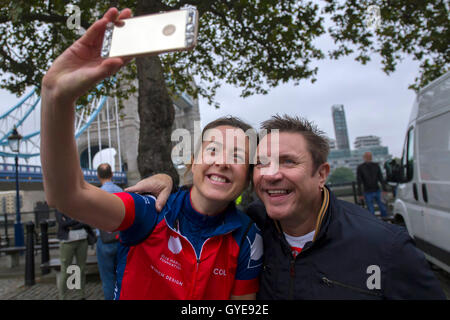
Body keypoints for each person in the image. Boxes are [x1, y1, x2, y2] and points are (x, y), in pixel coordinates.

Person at [40, 8, 262, 299]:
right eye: (213, 149)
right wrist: (57, 96)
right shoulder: (150, 210)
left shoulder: (248, 236)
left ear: (248, 177)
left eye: (236, 156)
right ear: (192, 160)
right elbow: (67, 196)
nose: (221, 161)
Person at [134, 114, 446, 299]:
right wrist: (170, 181)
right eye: (263, 163)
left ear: (321, 174)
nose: (272, 174)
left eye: (288, 162)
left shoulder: (384, 247)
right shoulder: (250, 228)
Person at [95, 163, 123, 300]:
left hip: (104, 240)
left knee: (107, 279)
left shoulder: (97, 194)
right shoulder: (121, 191)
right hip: (121, 239)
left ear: (98, 176)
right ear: (112, 174)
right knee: (122, 276)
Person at [55, 210, 94, 300]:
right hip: (67, 242)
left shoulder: (79, 205)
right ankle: (62, 296)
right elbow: (62, 224)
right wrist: (79, 220)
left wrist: (72, 224)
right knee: (65, 270)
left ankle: (81, 295)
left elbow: (87, 221)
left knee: (81, 269)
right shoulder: (60, 207)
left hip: (82, 240)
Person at [357, 151, 388, 217]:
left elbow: (381, 178)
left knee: (383, 208)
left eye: (369, 156)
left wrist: (384, 189)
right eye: (367, 157)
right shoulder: (360, 168)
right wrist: (360, 194)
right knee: (371, 210)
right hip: (368, 191)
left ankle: (384, 221)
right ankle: (375, 223)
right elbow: (359, 182)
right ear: (364, 158)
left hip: (376, 190)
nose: (368, 158)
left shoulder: (376, 166)